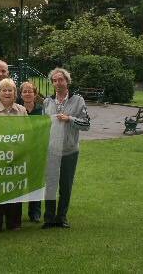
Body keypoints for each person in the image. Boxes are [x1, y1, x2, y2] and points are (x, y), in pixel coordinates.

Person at [42, 68, 90, 229]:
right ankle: (49, 218)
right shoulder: (47, 102)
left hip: (70, 150)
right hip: (51, 150)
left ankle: (61, 218)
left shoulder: (78, 100)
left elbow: (86, 124)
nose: (57, 83)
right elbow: (42, 126)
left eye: (60, 80)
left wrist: (69, 119)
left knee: (65, 185)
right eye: (54, 81)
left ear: (67, 81)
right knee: (50, 185)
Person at [0, 78, 27, 232]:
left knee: (14, 189)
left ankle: (14, 223)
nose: (7, 93)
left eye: (11, 90)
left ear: (15, 93)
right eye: (4, 90)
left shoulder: (21, 110)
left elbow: (27, 133)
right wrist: (6, 146)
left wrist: (17, 149)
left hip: (17, 157)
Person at [19, 81, 44, 223]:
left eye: (31, 91)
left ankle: (35, 213)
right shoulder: (16, 110)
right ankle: (14, 212)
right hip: (20, 151)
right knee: (18, 182)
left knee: (35, 182)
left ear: (35, 94)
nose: (28, 94)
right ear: (21, 94)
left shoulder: (42, 110)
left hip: (37, 150)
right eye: (25, 91)